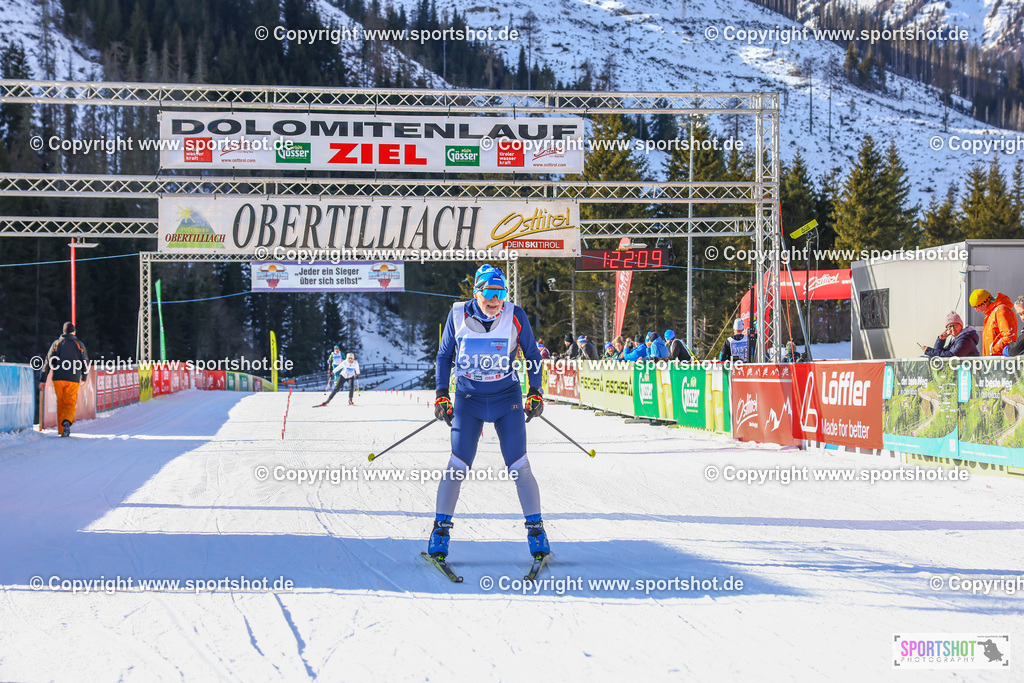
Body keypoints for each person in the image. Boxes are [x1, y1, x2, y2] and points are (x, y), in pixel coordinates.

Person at [431, 264, 548, 561]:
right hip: (468, 399)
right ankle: (440, 532)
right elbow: (444, 355)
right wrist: (442, 394)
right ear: (476, 293)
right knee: (457, 465)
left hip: (506, 398)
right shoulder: (457, 314)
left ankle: (536, 531)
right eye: (489, 292)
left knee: (519, 465)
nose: (495, 300)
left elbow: (532, 354)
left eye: (500, 293)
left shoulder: (515, 315)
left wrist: (535, 391)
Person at [39, 322, 88, 437]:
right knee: (70, 403)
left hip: (58, 378)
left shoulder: (56, 343)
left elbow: (48, 361)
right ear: (73, 332)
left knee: (60, 403)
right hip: (73, 378)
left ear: (63, 332)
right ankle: (66, 421)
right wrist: (84, 377)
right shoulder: (79, 344)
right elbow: (85, 361)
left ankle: (62, 431)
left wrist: (43, 379)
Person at [970, 289, 1017, 356]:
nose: (976, 310)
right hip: (994, 359)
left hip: (1000, 359)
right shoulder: (991, 314)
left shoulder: (1001, 311)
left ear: (984, 304)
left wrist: (993, 351)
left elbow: (1009, 336)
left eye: (976, 307)